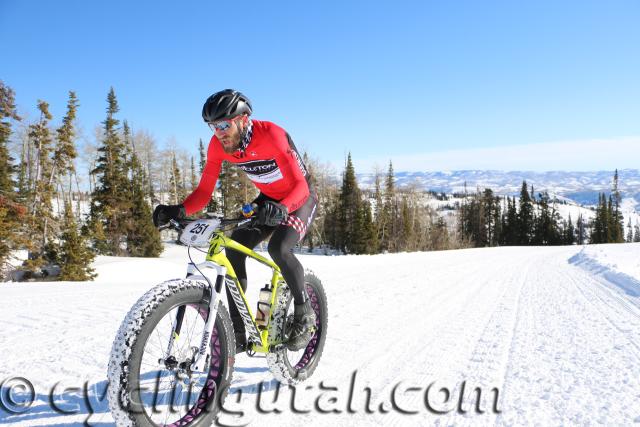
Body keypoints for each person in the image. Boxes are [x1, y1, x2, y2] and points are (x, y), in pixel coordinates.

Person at [153, 89, 318, 353]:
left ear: (243, 119)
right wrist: (179, 210)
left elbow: (301, 185)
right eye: (212, 126)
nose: (218, 132)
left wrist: (284, 207)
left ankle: (304, 313)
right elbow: (204, 192)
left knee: (279, 248)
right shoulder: (218, 146)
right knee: (232, 251)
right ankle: (238, 331)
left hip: (299, 199)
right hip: (267, 200)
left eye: (223, 124)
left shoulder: (272, 136)